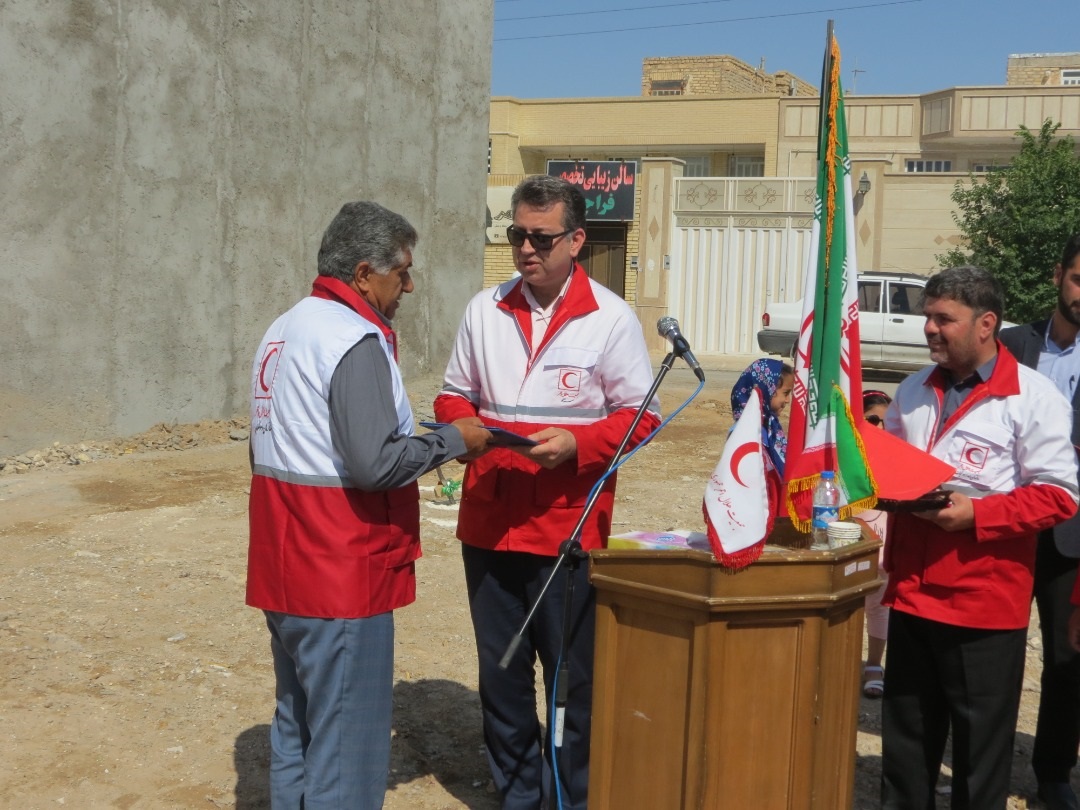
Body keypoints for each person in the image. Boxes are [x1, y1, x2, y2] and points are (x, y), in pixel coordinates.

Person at [245, 201, 491, 809]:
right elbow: (375, 464)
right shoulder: (349, 338)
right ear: (363, 274)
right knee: (346, 752)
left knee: (296, 728)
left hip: (285, 561)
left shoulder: (285, 327)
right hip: (339, 572)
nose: (409, 285)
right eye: (401, 272)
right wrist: (455, 440)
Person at [433, 174, 660, 810]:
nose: (526, 249)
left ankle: (568, 797)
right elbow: (453, 394)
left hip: (567, 528)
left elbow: (640, 416)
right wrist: (464, 428)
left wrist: (578, 445)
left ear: (576, 240)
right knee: (501, 676)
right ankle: (517, 796)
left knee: (569, 681)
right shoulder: (483, 310)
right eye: (516, 235)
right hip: (489, 523)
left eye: (541, 237)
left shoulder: (610, 318)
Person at [879, 265, 1079, 810]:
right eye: (928, 317)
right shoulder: (913, 389)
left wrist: (978, 515)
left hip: (983, 603)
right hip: (912, 593)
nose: (930, 328)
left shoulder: (1032, 397)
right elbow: (888, 468)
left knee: (979, 762)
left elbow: (1060, 496)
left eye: (944, 319)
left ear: (986, 324)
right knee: (906, 750)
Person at [999, 234, 1080, 810]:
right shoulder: (1010, 345)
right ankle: (983, 763)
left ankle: (1053, 773)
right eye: (1079, 279)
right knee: (993, 654)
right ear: (1058, 275)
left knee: (1068, 660)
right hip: (1006, 526)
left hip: (1072, 535)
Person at [859, 389, 892, 700]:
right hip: (850, 540)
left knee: (879, 605)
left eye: (886, 421)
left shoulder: (896, 456)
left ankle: (873, 665)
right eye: (872, 419)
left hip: (882, 543)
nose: (880, 427)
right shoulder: (843, 454)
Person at [729, 358, 793, 515]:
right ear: (767, 391)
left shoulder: (771, 427)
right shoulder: (744, 433)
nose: (788, 400)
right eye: (785, 393)